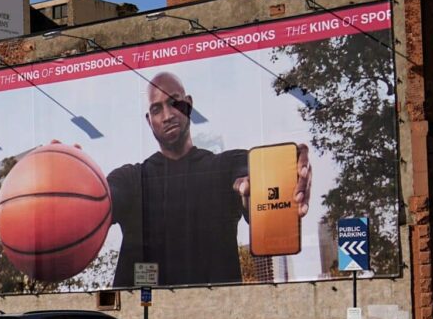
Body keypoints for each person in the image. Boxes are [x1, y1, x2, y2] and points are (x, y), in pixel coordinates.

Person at [106, 71, 310, 287]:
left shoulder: (226, 166)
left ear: (189, 105)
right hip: (139, 316)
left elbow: (253, 177)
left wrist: (285, 172)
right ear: (149, 121)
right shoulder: (129, 179)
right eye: (157, 109)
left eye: (174, 102)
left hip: (216, 314)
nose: (167, 116)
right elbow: (99, 201)